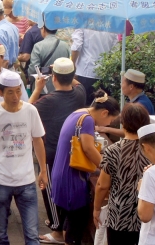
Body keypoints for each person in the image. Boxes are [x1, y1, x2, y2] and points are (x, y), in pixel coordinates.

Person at [0, 70, 47, 245]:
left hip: (26, 182)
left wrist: (43, 171)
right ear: (0, 92)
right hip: (1, 182)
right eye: (10, 92)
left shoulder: (30, 110)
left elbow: (38, 141)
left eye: (18, 91)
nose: (16, 96)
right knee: (0, 235)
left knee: (32, 236)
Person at [51, 90, 120, 245]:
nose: (109, 124)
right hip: (72, 179)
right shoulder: (88, 120)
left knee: (70, 221)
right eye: (111, 120)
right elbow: (88, 148)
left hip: (62, 175)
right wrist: (107, 168)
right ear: (104, 113)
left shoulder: (79, 112)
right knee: (77, 224)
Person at [30, 58, 86, 243]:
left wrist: (38, 88)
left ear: (53, 78)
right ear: (72, 76)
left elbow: (25, 111)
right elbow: (76, 82)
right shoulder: (80, 93)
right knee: (65, 188)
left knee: (49, 190)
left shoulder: (46, 101)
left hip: (51, 151)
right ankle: (60, 223)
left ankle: (57, 231)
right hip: (74, 150)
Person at [92, 103, 150, 245]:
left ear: (123, 123)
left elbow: (102, 185)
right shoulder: (150, 149)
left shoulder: (113, 150)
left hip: (119, 217)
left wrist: (96, 209)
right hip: (145, 217)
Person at [71, 28, 118, 105]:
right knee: (103, 107)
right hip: (105, 74)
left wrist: (72, 65)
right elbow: (115, 50)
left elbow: (77, 46)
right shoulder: (111, 25)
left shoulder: (83, 22)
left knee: (85, 107)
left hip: (85, 72)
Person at [28, 23, 71, 94]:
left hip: (42, 89)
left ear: (43, 29)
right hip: (61, 88)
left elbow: (33, 69)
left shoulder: (38, 46)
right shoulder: (65, 46)